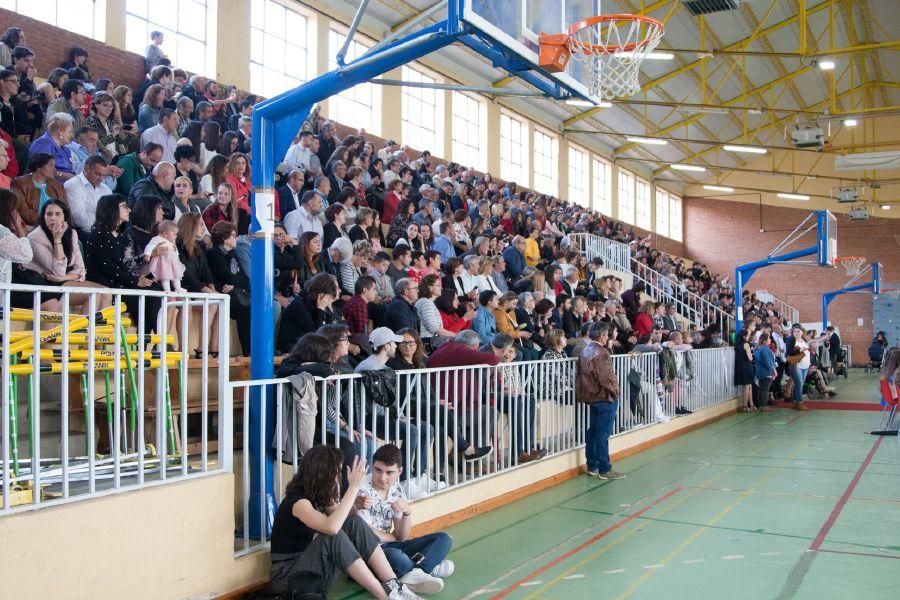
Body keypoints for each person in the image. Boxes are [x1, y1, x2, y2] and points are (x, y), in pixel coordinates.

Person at [269, 445, 422, 599]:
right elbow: (332, 528)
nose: (338, 477)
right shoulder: (298, 502)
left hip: (310, 572)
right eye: (336, 472)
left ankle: (394, 586)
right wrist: (354, 487)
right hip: (287, 579)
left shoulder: (320, 494)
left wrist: (356, 506)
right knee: (333, 537)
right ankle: (385, 596)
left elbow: (342, 518)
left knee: (353, 521)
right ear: (322, 474)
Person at [355, 444, 454, 595]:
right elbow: (368, 535)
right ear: (372, 467)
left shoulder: (397, 489)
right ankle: (427, 567)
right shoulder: (362, 489)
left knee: (444, 539)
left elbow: (402, 536)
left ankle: (416, 573)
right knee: (395, 556)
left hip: (392, 545)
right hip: (371, 553)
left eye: (389, 472)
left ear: (399, 471)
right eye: (378, 470)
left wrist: (407, 512)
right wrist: (393, 537)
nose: (382, 477)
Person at [23, 199, 111, 311]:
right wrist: (57, 239)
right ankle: (82, 328)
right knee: (94, 294)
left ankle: (96, 329)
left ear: (65, 216)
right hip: (45, 284)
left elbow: (80, 269)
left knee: (107, 292)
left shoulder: (72, 234)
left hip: (61, 280)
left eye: (57, 214)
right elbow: (57, 271)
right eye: (49, 214)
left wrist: (62, 278)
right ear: (43, 217)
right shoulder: (35, 237)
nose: (53, 218)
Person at [575, 322, 624, 480]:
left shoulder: (585, 351)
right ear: (603, 335)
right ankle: (605, 469)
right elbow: (606, 377)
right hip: (605, 397)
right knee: (603, 434)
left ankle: (593, 466)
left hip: (591, 397)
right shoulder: (602, 352)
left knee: (593, 432)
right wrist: (616, 391)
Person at [206, 221, 251, 355]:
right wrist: (236, 282)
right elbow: (226, 277)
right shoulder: (214, 253)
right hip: (223, 295)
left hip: (236, 293)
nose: (236, 238)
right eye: (233, 235)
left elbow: (245, 279)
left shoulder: (232, 253)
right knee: (245, 310)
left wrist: (235, 284)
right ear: (224, 237)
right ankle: (248, 352)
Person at [277, 273, 340, 354]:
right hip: (293, 349)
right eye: (330, 297)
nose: (329, 300)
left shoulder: (313, 303)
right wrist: (320, 309)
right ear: (321, 295)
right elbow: (316, 336)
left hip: (308, 348)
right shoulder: (300, 306)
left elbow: (328, 330)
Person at [11, 152, 66, 227]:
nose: (54, 170)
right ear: (38, 167)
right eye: (51, 166)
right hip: (33, 227)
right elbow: (23, 210)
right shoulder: (19, 183)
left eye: (54, 166)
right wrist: (46, 224)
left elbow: (65, 209)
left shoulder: (58, 186)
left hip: (58, 226)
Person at [142, 219, 185, 292]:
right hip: (162, 262)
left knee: (176, 275)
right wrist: (148, 255)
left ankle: (178, 287)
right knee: (165, 276)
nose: (176, 236)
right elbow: (149, 247)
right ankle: (167, 290)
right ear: (166, 233)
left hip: (172, 262)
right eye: (174, 234)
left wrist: (176, 255)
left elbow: (175, 251)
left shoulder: (172, 242)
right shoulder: (157, 239)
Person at [785, 324, 810, 411]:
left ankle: (795, 402)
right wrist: (800, 350)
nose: (796, 333)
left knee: (800, 384)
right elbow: (789, 352)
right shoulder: (791, 340)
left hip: (805, 365)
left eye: (798, 331)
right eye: (795, 331)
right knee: (799, 383)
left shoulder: (803, 340)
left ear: (802, 332)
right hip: (796, 365)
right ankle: (799, 402)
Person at [753, 332, 776, 412]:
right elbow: (768, 361)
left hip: (759, 371)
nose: (770, 340)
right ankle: (764, 405)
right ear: (764, 341)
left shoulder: (758, 348)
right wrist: (773, 370)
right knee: (765, 389)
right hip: (766, 371)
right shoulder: (765, 349)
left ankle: (760, 404)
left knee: (761, 388)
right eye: (769, 339)